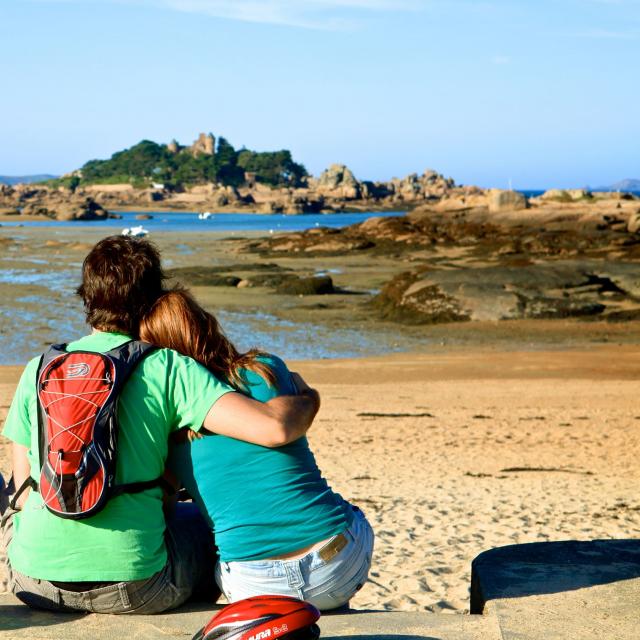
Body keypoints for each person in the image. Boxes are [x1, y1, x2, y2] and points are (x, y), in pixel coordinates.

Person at [0, 236, 320, 615]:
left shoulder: (39, 368)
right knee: (206, 527)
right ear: (154, 298)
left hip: (31, 581)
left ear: (86, 297)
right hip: (136, 588)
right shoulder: (166, 366)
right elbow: (275, 429)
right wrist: (307, 398)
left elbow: (22, 493)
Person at [139, 289, 374, 611]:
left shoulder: (167, 419)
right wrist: (309, 396)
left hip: (253, 585)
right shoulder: (265, 368)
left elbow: (163, 507)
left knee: (204, 525)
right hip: (336, 566)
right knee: (347, 513)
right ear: (206, 324)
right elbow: (290, 409)